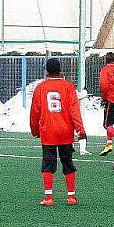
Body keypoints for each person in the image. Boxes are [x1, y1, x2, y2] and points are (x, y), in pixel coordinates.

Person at [30, 57, 87, 205]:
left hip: (48, 132)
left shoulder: (40, 88)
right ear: (60, 69)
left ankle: (49, 198)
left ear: (47, 70)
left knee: (48, 164)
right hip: (65, 132)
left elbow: (35, 112)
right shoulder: (68, 87)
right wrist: (80, 129)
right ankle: (71, 197)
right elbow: (74, 110)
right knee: (67, 163)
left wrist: (35, 130)